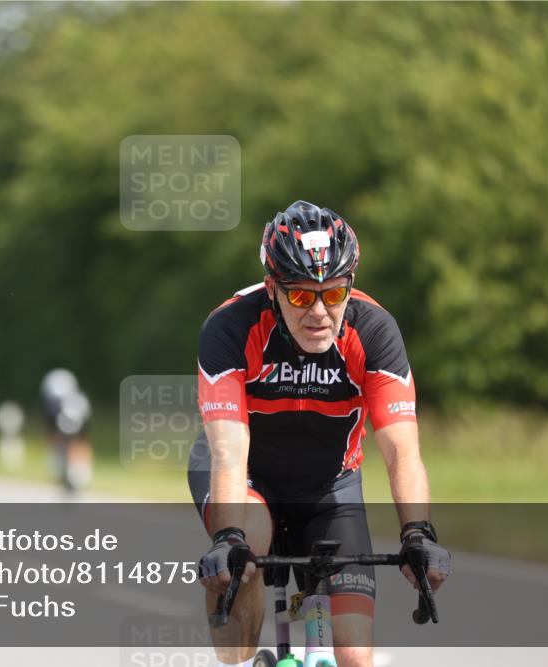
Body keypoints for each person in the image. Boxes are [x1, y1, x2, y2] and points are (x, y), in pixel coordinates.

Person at [190, 201, 450, 667]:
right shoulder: (230, 327)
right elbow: (229, 453)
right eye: (300, 296)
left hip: (330, 485)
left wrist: (418, 532)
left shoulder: (374, 331)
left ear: (350, 287)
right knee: (244, 554)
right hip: (246, 476)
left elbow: (402, 453)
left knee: (352, 654)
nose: (318, 312)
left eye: (332, 295)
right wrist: (228, 538)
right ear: (273, 288)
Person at [39, 368, 93, 493]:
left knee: (79, 443)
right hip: (61, 438)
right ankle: (61, 468)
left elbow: (83, 438)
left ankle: (79, 470)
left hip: (78, 429)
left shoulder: (80, 404)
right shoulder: (50, 409)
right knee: (58, 446)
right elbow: (50, 433)